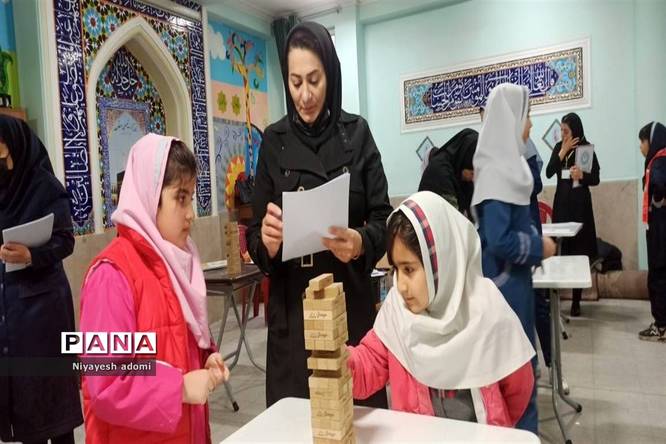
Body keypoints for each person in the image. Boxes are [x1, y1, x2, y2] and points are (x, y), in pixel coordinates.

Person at [246, 22, 392, 408]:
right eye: (295, 83)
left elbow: (384, 218)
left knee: (358, 417)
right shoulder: (274, 141)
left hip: (349, 308)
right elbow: (255, 233)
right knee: (296, 421)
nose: (305, 95)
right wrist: (267, 241)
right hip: (294, 315)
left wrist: (360, 242)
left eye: (314, 80)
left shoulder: (357, 134)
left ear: (331, 74)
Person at [79, 134, 229, 443]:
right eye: (180, 198)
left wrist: (204, 357)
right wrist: (180, 388)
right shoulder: (112, 276)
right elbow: (106, 385)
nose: (190, 214)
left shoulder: (173, 262)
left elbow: (174, 342)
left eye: (191, 198)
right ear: (149, 197)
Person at [348, 191, 535, 427]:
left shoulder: (486, 309)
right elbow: (369, 364)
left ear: (440, 263)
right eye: (396, 269)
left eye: (409, 270)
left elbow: (518, 387)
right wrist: (342, 363)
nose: (401, 285)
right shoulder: (397, 311)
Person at [471, 83, 556, 434]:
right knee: (516, 381)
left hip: (515, 285)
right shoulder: (496, 173)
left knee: (521, 379)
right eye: (527, 116)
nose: (530, 124)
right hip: (505, 290)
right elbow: (500, 239)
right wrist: (539, 247)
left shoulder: (508, 168)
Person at [0, 115, 83, 444]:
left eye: (4, 154)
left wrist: (31, 255)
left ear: (18, 147)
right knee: (26, 410)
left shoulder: (44, 187)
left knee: (55, 405)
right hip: (12, 317)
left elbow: (66, 240)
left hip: (47, 314)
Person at [545, 112, 600, 317]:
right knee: (559, 249)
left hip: (579, 207)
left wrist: (582, 175)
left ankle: (576, 301)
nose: (563, 134)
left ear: (575, 130)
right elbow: (549, 172)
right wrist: (563, 151)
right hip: (561, 205)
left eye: (566, 131)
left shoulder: (585, 148)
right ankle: (554, 299)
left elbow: (596, 178)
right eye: (561, 130)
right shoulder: (559, 148)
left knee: (578, 250)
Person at [638, 122, 666, 341]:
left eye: (642, 141)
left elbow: (658, 184)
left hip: (660, 230)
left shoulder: (658, 162)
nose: (641, 146)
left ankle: (661, 325)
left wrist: (658, 198)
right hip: (659, 227)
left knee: (657, 274)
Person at [418, 128, 478, 217]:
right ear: (463, 161)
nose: (473, 178)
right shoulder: (440, 172)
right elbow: (450, 217)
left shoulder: (462, 177)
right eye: (472, 173)